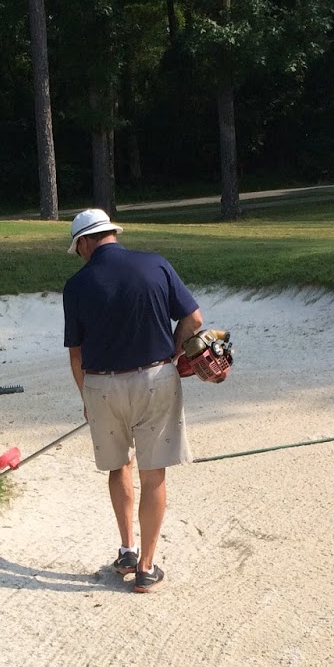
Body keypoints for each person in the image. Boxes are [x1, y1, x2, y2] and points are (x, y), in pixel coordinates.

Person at [62, 208, 202, 592]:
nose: (81, 255)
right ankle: (146, 567)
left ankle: (126, 549)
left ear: (86, 242)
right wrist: (174, 355)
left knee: (118, 466)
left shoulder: (75, 286)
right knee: (153, 475)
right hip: (156, 377)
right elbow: (194, 319)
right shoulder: (156, 265)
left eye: (79, 248)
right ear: (111, 233)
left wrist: (87, 400)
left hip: (102, 387)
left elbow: (75, 355)